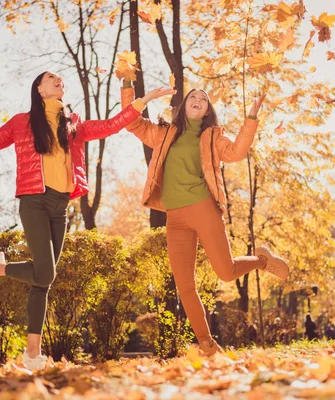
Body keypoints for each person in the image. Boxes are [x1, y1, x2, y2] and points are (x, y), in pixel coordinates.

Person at [0, 72, 174, 370]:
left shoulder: (73, 123)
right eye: (52, 77)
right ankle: (0, 270)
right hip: (34, 201)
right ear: (38, 87)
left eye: (61, 78)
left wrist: (144, 100)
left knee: (42, 281)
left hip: (60, 205)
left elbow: (112, 125)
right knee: (46, 274)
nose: (59, 80)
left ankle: (31, 354)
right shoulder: (22, 122)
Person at [120, 81, 290, 356]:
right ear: (184, 105)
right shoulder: (163, 134)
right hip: (175, 218)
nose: (198, 99)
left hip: (203, 209)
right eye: (193, 96)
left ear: (207, 109)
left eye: (203, 98)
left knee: (226, 272)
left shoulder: (212, 137)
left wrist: (252, 118)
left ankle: (262, 260)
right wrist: (127, 83)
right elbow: (132, 122)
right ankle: (207, 345)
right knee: (184, 285)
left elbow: (236, 152)